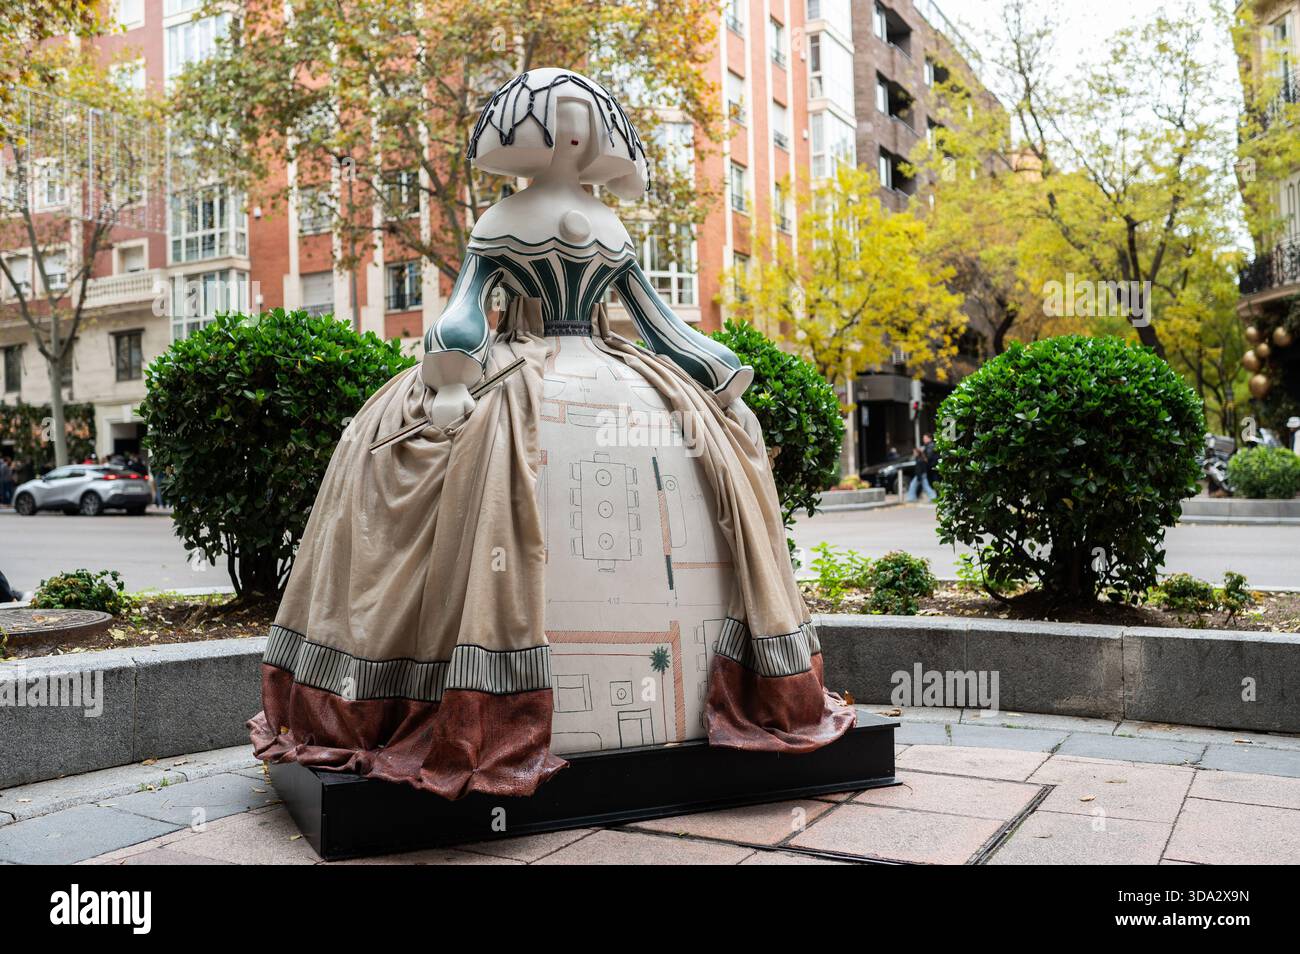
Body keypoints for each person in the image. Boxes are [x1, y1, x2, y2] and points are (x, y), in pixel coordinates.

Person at [248, 67, 853, 800]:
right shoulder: (500, 219)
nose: (572, 128)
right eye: (558, 114)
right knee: (425, 459)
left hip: (612, 366)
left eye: (583, 115)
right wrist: (449, 374)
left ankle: (681, 700)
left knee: (712, 460)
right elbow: (468, 303)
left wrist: (717, 372)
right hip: (513, 370)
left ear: (602, 132)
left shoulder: (611, 226)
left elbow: (657, 319)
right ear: (523, 127)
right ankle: (465, 706)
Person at [906, 433, 938, 502]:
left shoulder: (930, 447)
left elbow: (928, 458)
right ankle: (913, 497)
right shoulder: (926, 447)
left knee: (920, 485)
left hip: (928, 470)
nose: (923, 440)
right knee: (924, 485)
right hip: (926, 471)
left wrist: (919, 475)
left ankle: (912, 498)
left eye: (925, 438)